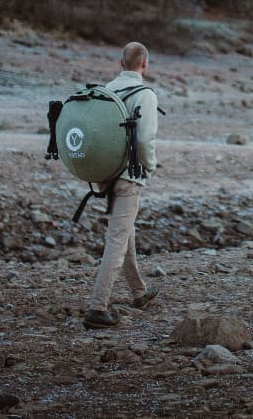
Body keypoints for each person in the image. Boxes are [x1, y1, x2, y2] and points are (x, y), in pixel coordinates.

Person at [83, 41, 159, 329]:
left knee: (124, 229)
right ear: (145, 64)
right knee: (117, 239)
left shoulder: (106, 91)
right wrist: (148, 166)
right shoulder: (145, 95)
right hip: (129, 176)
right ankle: (97, 307)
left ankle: (140, 292)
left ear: (120, 62)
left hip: (105, 172)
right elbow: (144, 140)